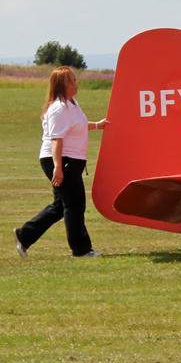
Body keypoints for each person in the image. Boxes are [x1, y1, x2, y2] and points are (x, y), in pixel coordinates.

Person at [13, 67, 109, 257]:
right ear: (60, 85)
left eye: (75, 80)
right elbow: (56, 139)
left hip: (69, 159)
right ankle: (81, 250)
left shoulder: (72, 104)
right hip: (60, 159)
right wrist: (58, 167)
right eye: (70, 81)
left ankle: (24, 235)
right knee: (75, 204)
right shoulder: (60, 107)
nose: (75, 84)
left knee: (60, 206)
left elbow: (77, 126)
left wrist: (98, 125)